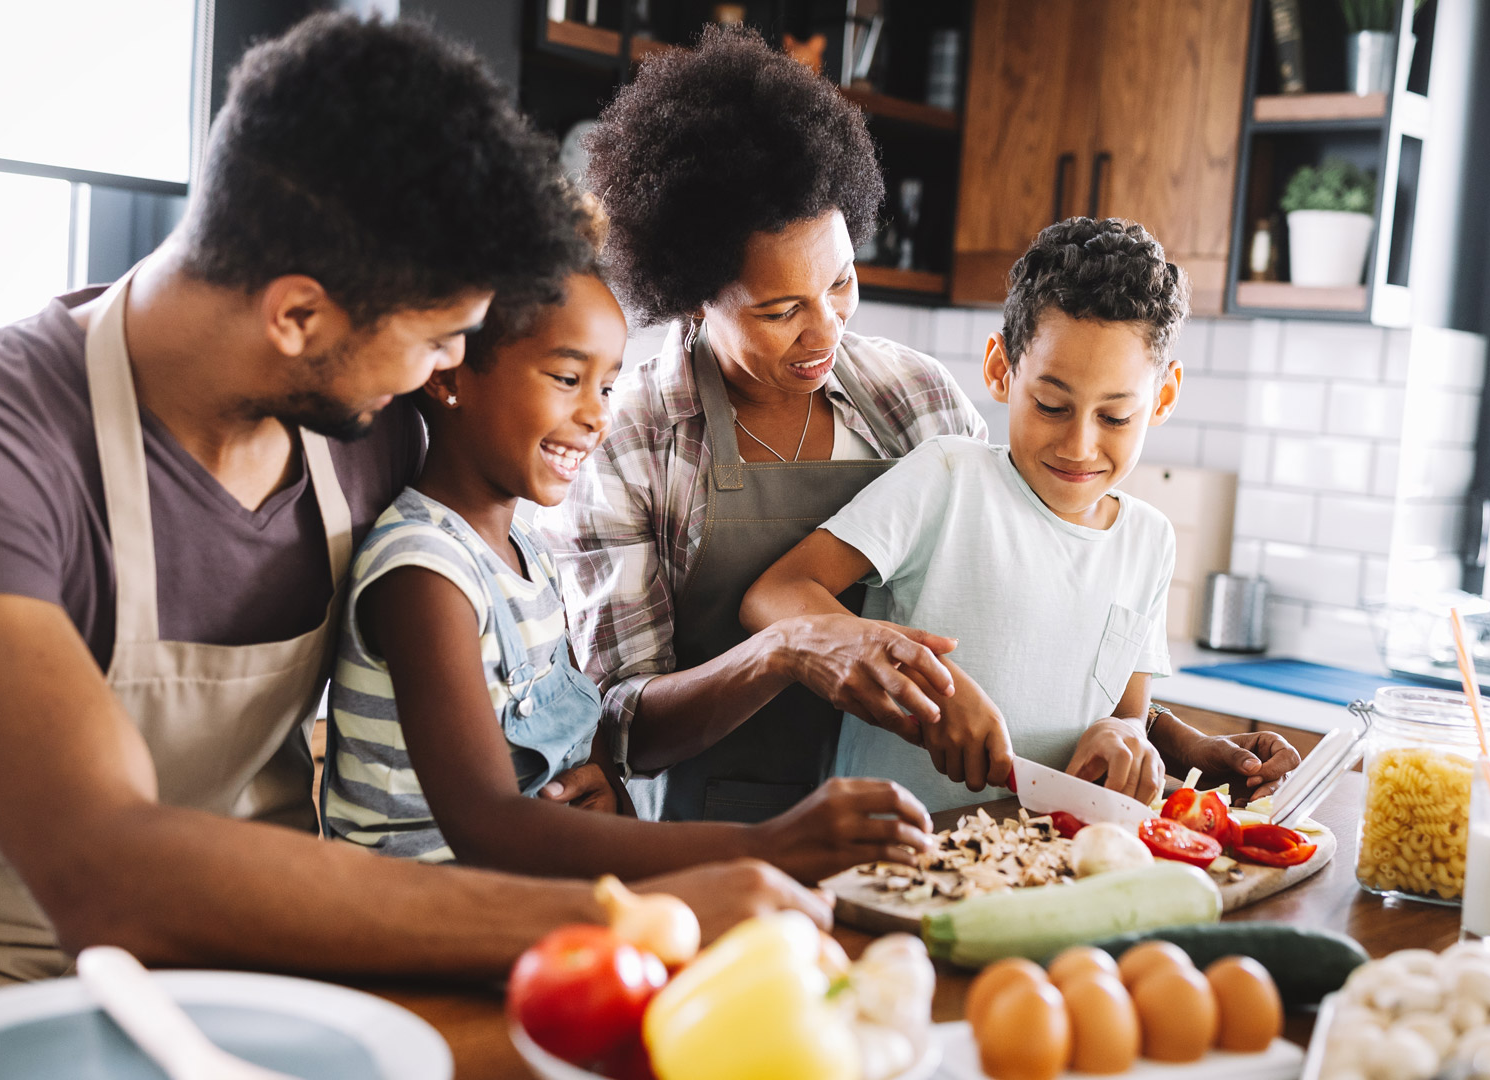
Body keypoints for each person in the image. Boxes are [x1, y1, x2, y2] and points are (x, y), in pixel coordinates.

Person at [0, 14, 824, 1009]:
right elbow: (108, 875)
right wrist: (628, 911)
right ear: (298, 316)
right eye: (442, 339)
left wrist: (568, 778)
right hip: (8, 998)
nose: (452, 370)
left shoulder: (374, 423)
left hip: (274, 988)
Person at [322, 247, 933, 881]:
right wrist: (768, 847)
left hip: (514, 900)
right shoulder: (425, 573)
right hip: (419, 922)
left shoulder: (524, 555)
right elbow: (488, 827)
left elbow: (563, 762)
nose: (597, 416)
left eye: (607, 385)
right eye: (567, 379)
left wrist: (600, 785)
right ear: (447, 377)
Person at [544, 26, 987, 825]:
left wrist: (1146, 723)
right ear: (693, 296)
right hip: (711, 839)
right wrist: (785, 651)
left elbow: (1009, 598)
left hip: (915, 826)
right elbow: (623, 724)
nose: (826, 332)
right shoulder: (631, 436)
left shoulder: (917, 402)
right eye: (782, 310)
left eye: (842, 284)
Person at [742, 218, 1303, 813]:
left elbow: (1125, 712)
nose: (1080, 446)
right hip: (892, 856)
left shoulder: (1149, 541)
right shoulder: (948, 479)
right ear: (1001, 370)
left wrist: (1123, 737)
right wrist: (928, 680)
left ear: (1162, 398)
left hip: (1044, 867)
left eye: (1114, 417)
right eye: (1051, 405)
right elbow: (774, 595)